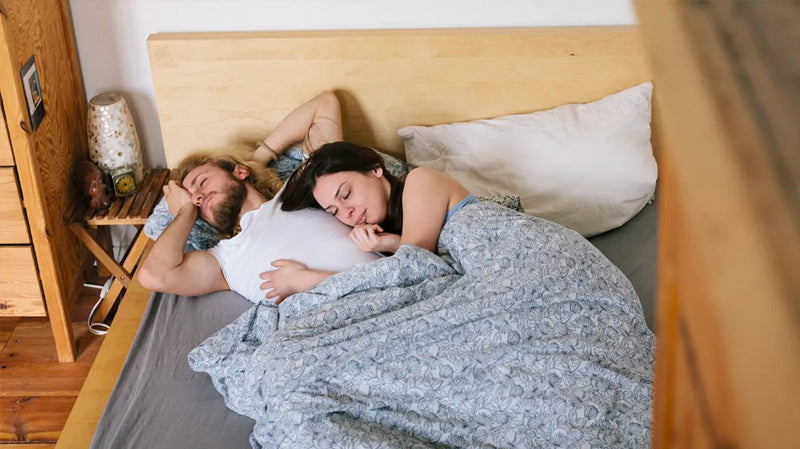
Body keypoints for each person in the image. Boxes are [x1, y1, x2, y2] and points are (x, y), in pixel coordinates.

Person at [137, 91, 381, 304]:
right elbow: (153, 274)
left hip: (385, 291)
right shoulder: (223, 261)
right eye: (193, 199)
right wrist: (186, 212)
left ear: (239, 172)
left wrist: (256, 160)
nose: (198, 197)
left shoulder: (303, 191)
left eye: (202, 182)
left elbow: (325, 104)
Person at [265, 141, 476, 297]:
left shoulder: (421, 180)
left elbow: (410, 271)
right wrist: (389, 241)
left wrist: (303, 280)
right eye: (333, 211)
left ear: (375, 168)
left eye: (346, 195)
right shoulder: (387, 238)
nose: (346, 212)